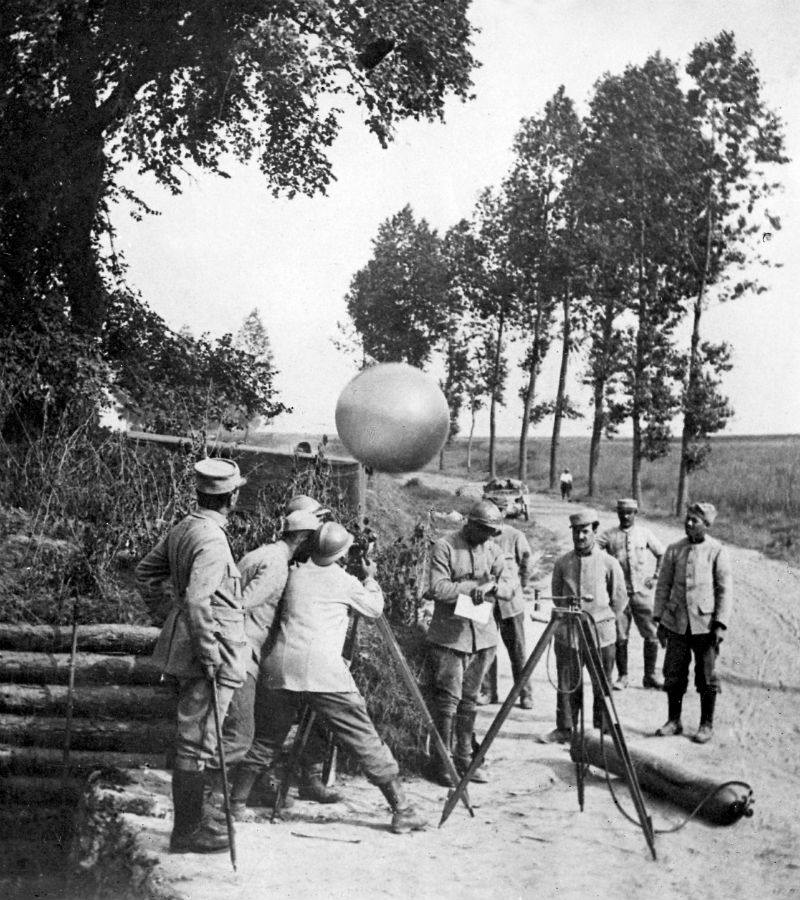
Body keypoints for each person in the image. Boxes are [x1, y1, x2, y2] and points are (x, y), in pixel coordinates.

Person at [247, 522, 427, 834]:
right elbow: (373, 609)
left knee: (266, 737)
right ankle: (401, 808)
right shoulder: (344, 581)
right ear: (343, 554)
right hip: (323, 672)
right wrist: (370, 579)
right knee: (363, 736)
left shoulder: (294, 573)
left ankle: (235, 801)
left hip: (280, 667)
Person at [136, 458, 248, 855]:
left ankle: (193, 824)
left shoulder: (184, 528)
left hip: (193, 646)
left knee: (193, 738)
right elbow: (200, 600)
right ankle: (187, 834)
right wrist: (209, 650)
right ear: (231, 497)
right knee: (196, 741)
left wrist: (171, 618)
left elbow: (145, 574)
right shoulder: (213, 540)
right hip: (210, 655)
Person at [219, 508, 320, 821]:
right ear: (302, 539)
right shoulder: (277, 566)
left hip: (238, 649)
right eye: (311, 542)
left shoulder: (263, 553)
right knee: (241, 734)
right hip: (240, 651)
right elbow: (238, 604)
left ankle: (226, 796)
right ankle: (213, 801)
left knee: (238, 731)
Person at [426, 500, 515, 784]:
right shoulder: (445, 546)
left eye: (493, 532)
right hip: (451, 637)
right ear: (471, 524)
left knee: (470, 700)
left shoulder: (493, 550)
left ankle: (466, 760)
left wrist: (495, 587)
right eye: (484, 530)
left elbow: (512, 586)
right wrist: (471, 588)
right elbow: (437, 588)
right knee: (447, 703)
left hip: (483, 637)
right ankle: (442, 764)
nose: (488, 536)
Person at [544, 508, 628, 744]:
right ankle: (565, 729)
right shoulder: (563, 563)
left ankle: (602, 731)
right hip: (569, 635)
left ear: (594, 531)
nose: (580, 537)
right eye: (576, 532)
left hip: (600, 634)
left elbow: (619, 599)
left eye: (585, 532)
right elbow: (557, 596)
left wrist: (601, 618)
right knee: (567, 683)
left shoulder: (609, 563)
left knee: (602, 682)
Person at [652, 502, 733, 744]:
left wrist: (719, 624)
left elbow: (724, 590)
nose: (688, 524)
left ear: (706, 525)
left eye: (694, 521)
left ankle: (706, 724)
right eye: (687, 519)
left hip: (704, 625)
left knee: (706, 677)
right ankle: (674, 720)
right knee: (674, 674)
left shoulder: (716, 551)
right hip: (676, 623)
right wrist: (660, 619)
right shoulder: (674, 550)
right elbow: (663, 586)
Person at [597, 498, 665, 691]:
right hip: (619, 595)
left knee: (652, 634)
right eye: (622, 512)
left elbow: (662, 553)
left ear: (635, 513)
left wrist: (655, 577)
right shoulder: (609, 535)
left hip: (642, 593)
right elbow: (592, 551)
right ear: (617, 513)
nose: (625, 516)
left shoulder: (644, 534)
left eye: (629, 512)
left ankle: (650, 675)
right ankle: (623, 676)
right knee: (620, 636)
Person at [478, 519, 534, 709]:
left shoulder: (515, 536)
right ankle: (487, 691)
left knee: (517, 651)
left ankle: (525, 693)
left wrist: (521, 586)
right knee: (486, 650)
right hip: (487, 604)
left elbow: (527, 562)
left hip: (510, 605)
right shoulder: (480, 536)